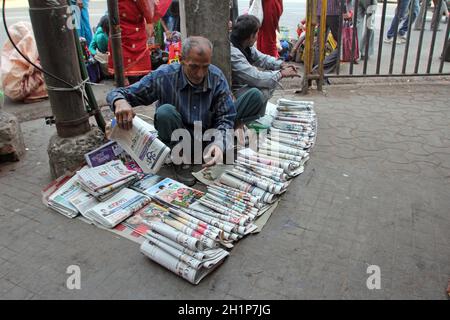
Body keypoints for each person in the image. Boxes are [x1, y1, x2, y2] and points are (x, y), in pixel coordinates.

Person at [107, 36, 266, 186]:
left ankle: (219, 146)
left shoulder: (216, 77)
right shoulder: (164, 76)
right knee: (165, 112)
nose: (200, 74)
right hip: (181, 136)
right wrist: (119, 101)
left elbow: (225, 117)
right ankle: (182, 159)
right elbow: (121, 93)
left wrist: (219, 143)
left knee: (255, 96)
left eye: (205, 67)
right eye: (194, 67)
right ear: (181, 61)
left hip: (208, 133)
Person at [230, 15, 300, 104]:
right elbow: (256, 78)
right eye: (257, 33)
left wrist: (281, 65)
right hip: (233, 94)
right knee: (261, 91)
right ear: (251, 36)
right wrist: (281, 74)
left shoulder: (244, 45)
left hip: (241, 86)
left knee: (267, 85)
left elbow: (262, 58)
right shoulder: (233, 52)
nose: (257, 37)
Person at [107, 0, 171, 85]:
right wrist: (149, 20)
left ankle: (123, 80)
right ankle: (126, 82)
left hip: (123, 19)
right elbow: (145, 5)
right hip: (129, 22)